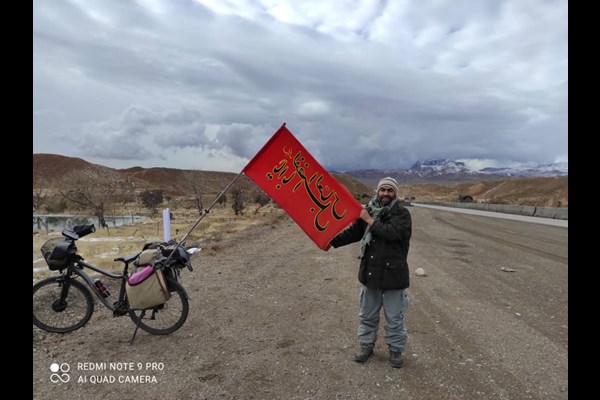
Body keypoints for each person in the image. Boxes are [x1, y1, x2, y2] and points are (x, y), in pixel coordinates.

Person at [329, 177, 412, 368]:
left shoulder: (403, 214)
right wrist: (332, 242)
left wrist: (369, 220)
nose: (385, 194)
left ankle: (395, 351)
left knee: (394, 318)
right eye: (382, 190)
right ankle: (366, 346)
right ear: (377, 192)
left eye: (389, 191)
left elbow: (393, 233)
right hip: (371, 274)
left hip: (394, 277)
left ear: (395, 194)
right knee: (367, 315)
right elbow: (355, 233)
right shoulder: (369, 211)